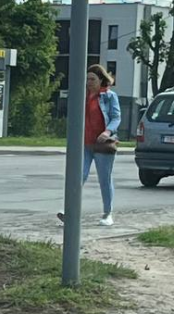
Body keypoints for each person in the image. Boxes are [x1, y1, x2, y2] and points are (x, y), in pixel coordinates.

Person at [58, 64, 121, 226]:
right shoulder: (82, 95)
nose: (89, 82)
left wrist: (107, 132)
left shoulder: (109, 96)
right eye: (87, 79)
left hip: (102, 145)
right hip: (83, 144)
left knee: (104, 180)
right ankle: (70, 211)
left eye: (93, 79)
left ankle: (108, 214)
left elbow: (116, 117)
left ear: (101, 80)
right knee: (77, 177)